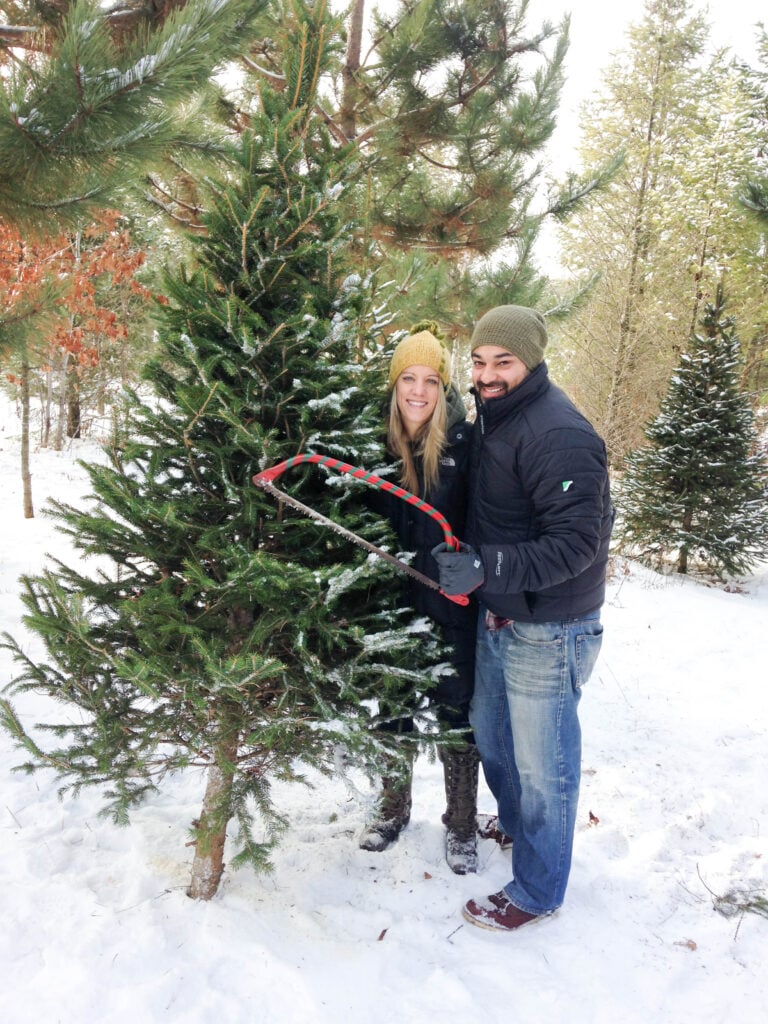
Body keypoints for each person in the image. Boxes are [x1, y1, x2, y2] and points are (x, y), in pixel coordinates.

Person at [432, 305, 614, 930]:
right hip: (504, 614)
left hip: (550, 625)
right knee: (494, 735)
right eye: (479, 361)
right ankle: (516, 827)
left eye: (502, 362)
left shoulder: (558, 432)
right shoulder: (497, 417)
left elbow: (574, 545)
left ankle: (538, 890)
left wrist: (487, 568)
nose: (486, 374)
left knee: (544, 767)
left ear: (531, 361)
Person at [359, 321, 480, 874]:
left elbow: (490, 516)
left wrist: (472, 566)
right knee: (393, 706)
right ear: (395, 384)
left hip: (451, 604)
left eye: (432, 380)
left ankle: (460, 821)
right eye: (408, 378)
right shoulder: (374, 444)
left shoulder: (465, 444)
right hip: (392, 599)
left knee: (457, 712)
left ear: (444, 388)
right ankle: (392, 807)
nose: (419, 391)